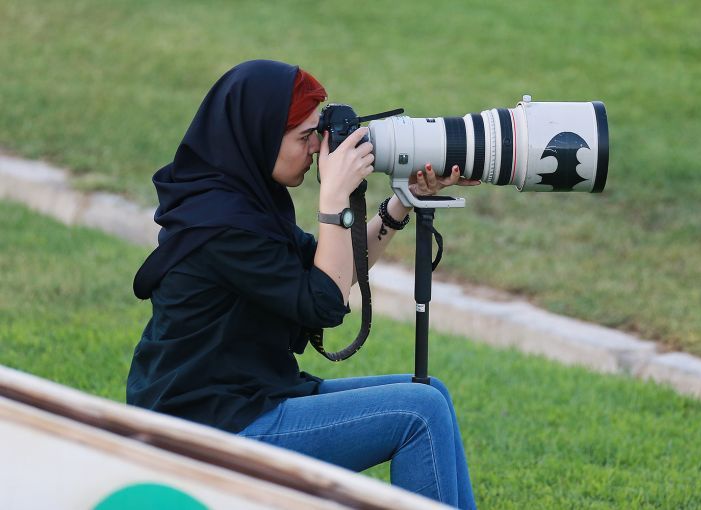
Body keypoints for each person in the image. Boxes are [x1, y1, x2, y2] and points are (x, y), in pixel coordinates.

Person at [127, 59, 479, 508]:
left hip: (251, 399)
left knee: (430, 394)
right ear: (260, 135)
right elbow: (324, 302)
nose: (317, 148)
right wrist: (333, 196)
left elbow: (330, 271)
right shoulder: (221, 225)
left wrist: (402, 203)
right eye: (305, 136)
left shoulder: (247, 201)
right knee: (419, 413)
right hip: (204, 428)